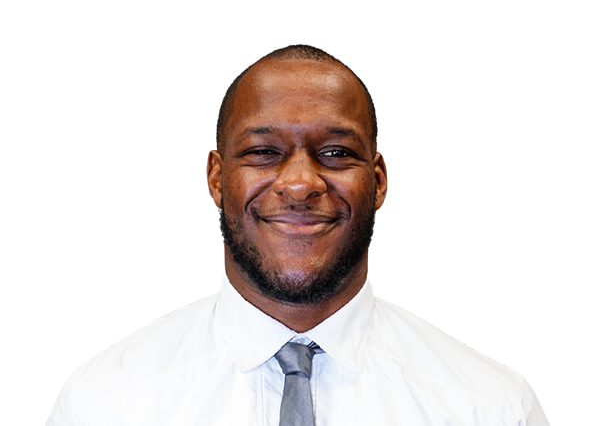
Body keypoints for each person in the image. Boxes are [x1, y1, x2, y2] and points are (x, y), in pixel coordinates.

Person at [49, 46, 548, 425]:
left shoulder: (487, 407)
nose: (300, 184)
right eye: (263, 152)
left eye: (336, 153)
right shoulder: (109, 402)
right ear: (217, 176)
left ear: (377, 180)